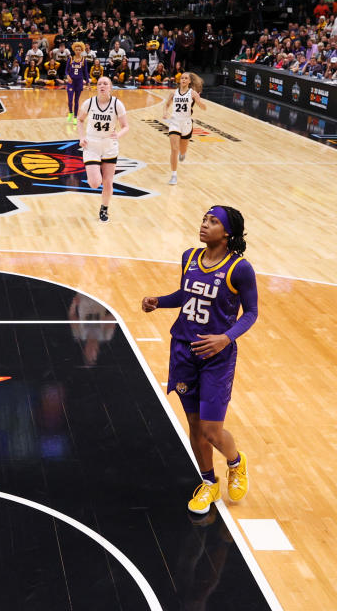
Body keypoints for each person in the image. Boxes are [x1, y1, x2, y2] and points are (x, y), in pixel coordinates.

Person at [141, 206, 256, 514]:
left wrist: (226, 338)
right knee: (194, 425)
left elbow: (252, 313)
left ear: (227, 233)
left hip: (216, 356)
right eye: (205, 219)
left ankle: (236, 462)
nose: (205, 225)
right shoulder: (189, 257)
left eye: (213, 221)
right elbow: (186, 295)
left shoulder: (239, 269)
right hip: (182, 350)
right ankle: (208, 482)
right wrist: (159, 302)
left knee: (212, 430)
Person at [77, 76, 129, 223]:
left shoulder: (117, 104)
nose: (102, 86)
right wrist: (81, 137)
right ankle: (93, 168)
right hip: (92, 144)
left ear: (110, 87)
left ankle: (104, 209)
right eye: (99, 83)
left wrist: (117, 135)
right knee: (94, 183)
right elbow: (80, 120)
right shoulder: (89, 103)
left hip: (109, 145)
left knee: (108, 182)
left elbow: (126, 126)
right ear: (96, 87)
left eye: (105, 83)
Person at [162, 72, 206, 185]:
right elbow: (166, 104)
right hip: (175, 122)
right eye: (182, 78)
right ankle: (174, 175)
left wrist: (199, 101)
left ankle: (183, 153)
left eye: (186, 78)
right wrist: (165, 112)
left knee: (182, 150)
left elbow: (203, 108)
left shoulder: (193, 93)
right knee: (174, 149)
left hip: (186, 123)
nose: (184, 80)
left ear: (190, 81)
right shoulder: (174, 93)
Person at [65, 41, 88, 124]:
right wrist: (67, 76)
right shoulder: (70, 59)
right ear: (74, 50)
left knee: (76, 100)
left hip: (79, 82)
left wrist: (88, 81)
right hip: (71, 82)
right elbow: (66, 70)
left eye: (79, 50)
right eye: (76, 49)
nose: (77, 51)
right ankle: (70, 113)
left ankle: (75, 116)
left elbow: (85, 72)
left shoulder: (84, 60)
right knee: (70, 100)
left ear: (81, 50)